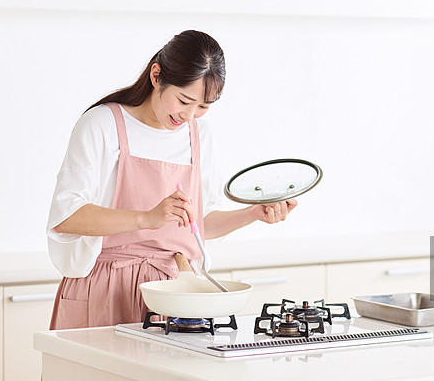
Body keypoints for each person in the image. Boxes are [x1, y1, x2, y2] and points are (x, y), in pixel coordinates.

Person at [46, 30, 297, 329]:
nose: (190, 116)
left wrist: (252, 214)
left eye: (203, 107)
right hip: (106, 287)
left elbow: (199, 224)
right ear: (156, 76)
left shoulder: (199, 136)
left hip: (174, 292)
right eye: (184, 100)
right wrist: (147, 218)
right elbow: (66, 217)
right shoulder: (102, 124)